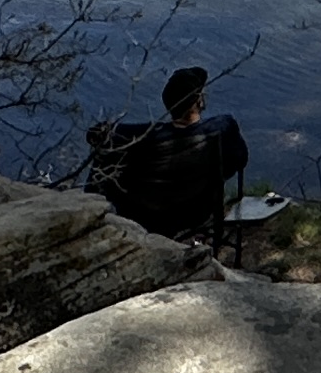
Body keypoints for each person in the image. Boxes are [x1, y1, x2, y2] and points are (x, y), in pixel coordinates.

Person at [90, 67, 249, 245]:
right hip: (197, 213)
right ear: (199, 101)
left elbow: (96, 134)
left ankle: (91, 218)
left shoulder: (145, 136)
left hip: (145, 216)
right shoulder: (221, 129)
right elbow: (239, 160)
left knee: (107, 159)